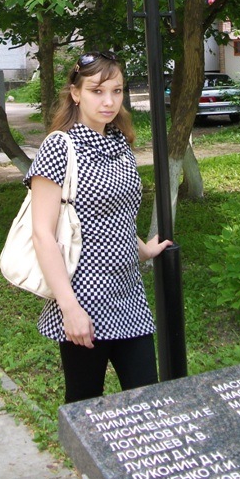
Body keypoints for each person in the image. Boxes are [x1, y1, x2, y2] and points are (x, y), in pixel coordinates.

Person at [24, 50, 172, 403]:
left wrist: (144, 249)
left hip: (128, 294)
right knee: (85, 403)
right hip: (83, 297)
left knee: (149, 399)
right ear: (76, 93)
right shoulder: (59, 147)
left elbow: (117, 215)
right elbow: (42, 234)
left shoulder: (119, 142)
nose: (109, 101)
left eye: (117, 91)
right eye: (97, 91)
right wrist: (69, 308)